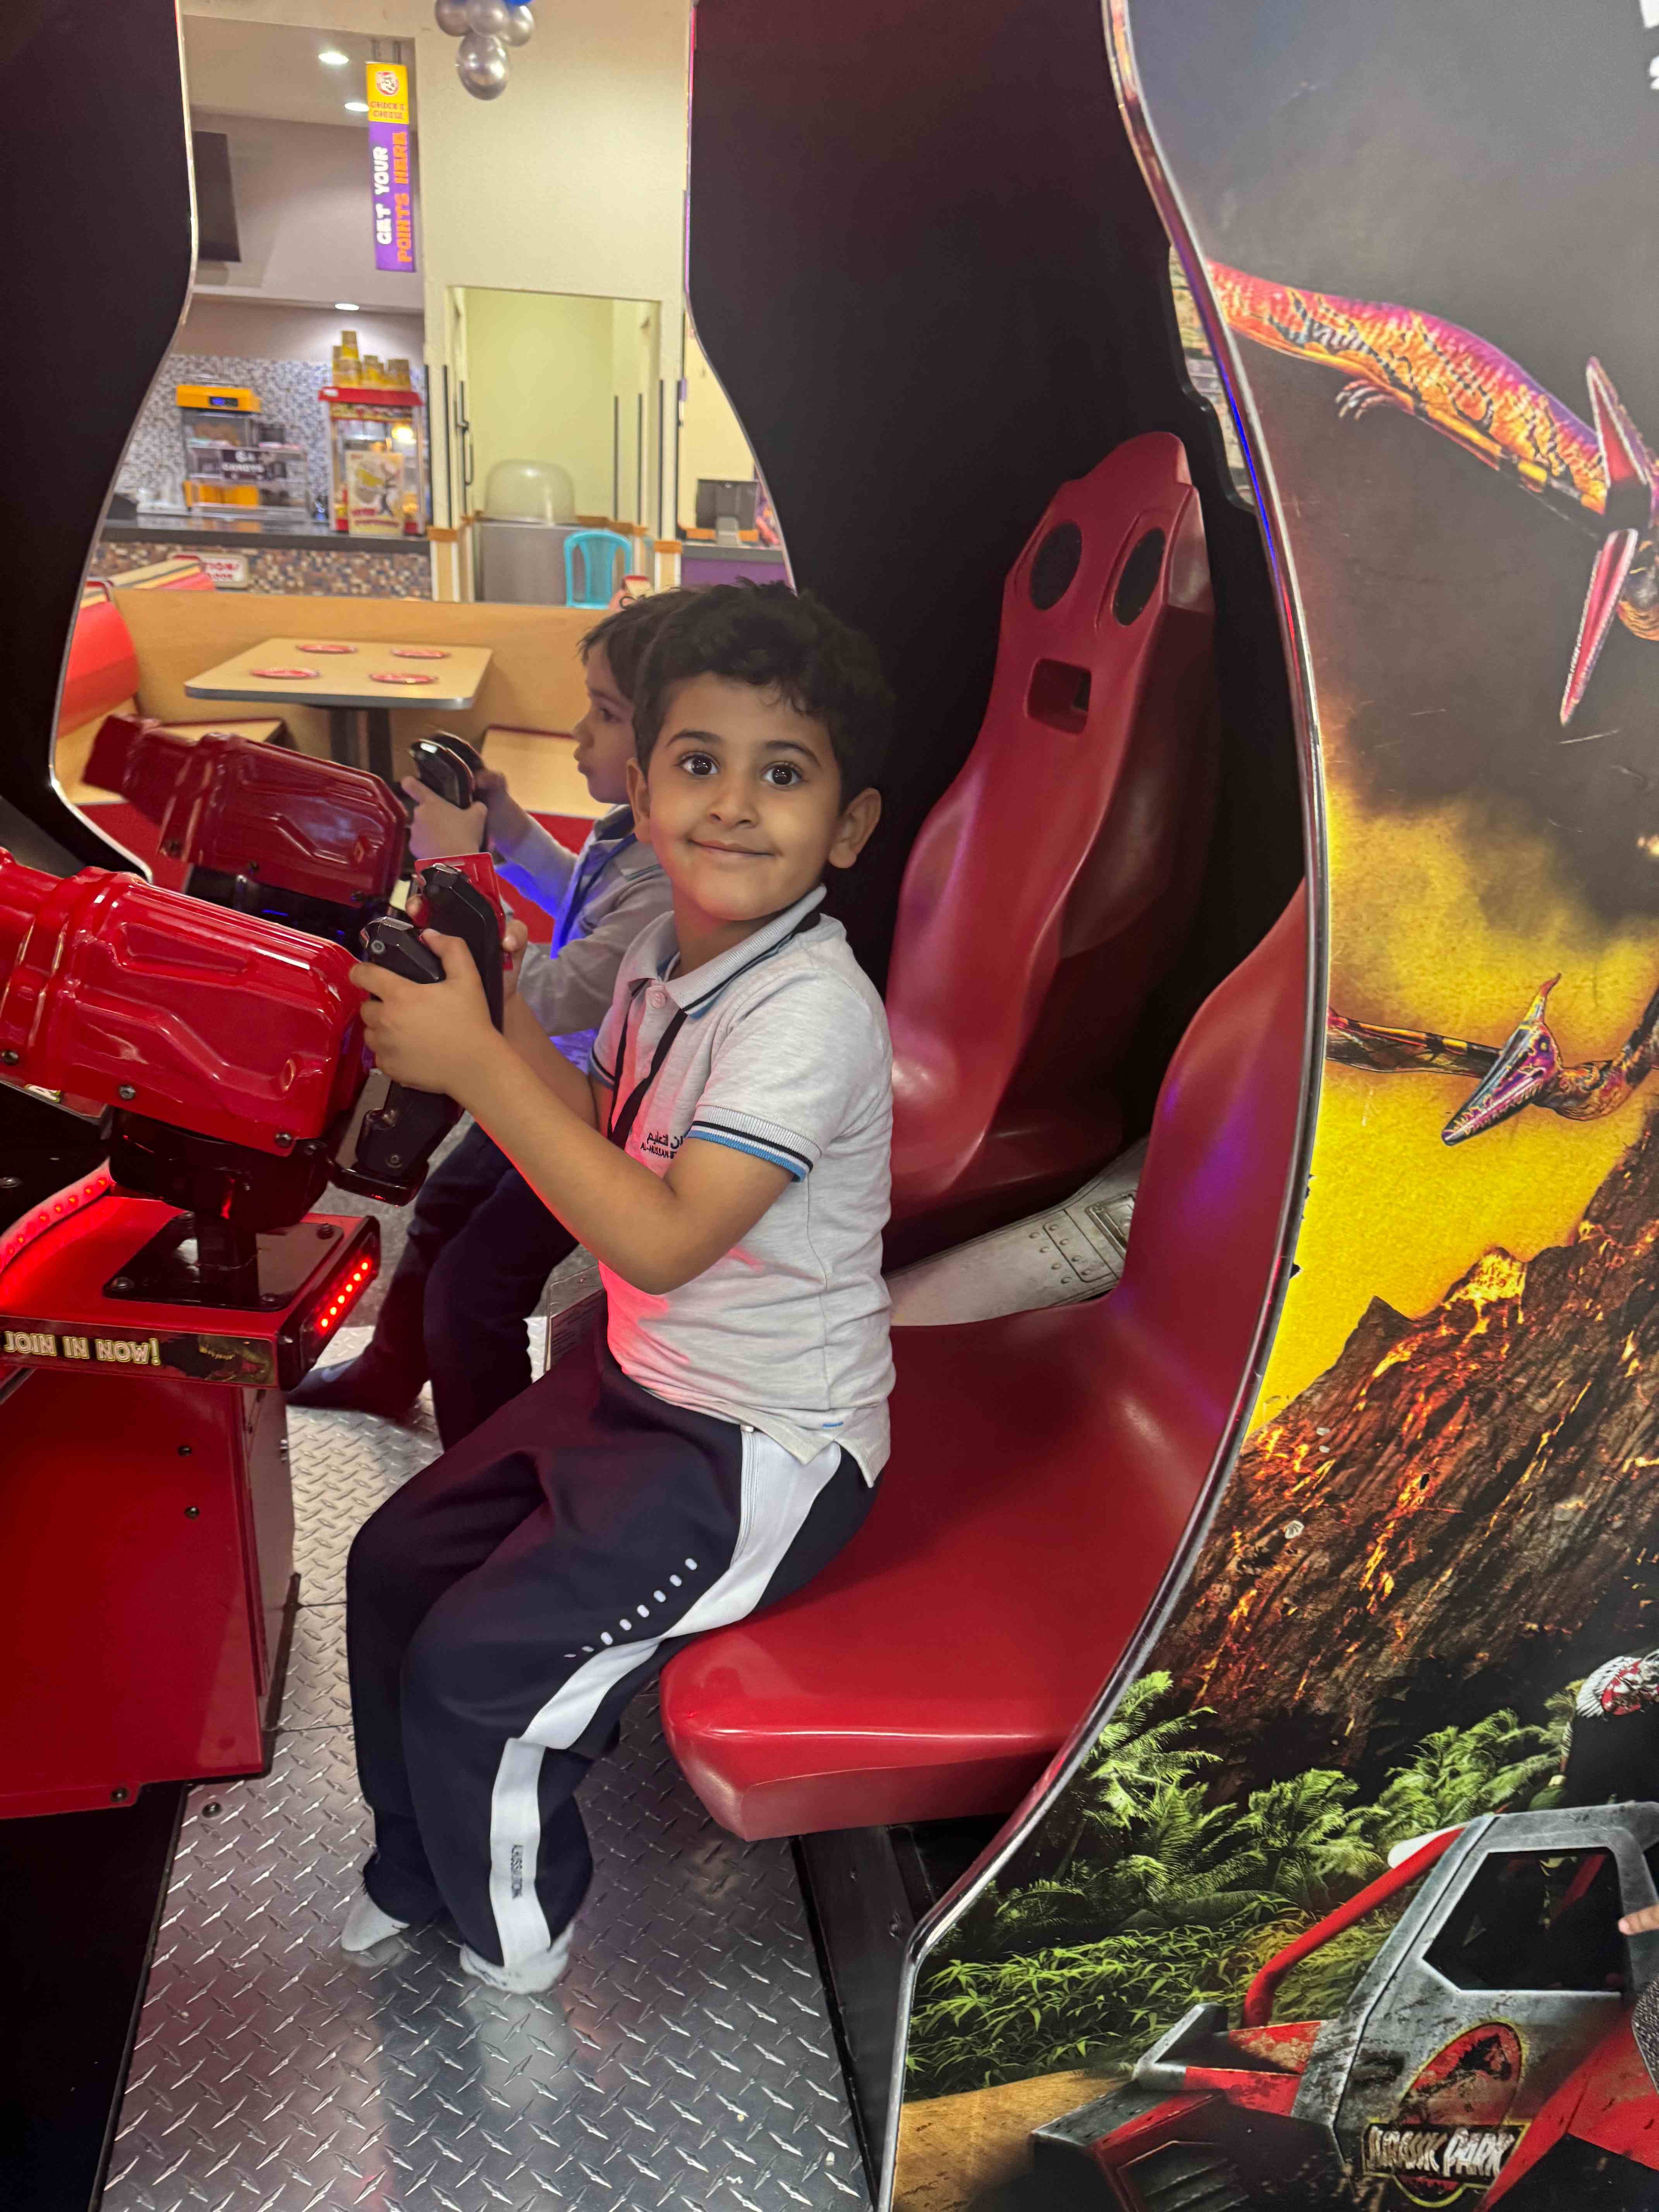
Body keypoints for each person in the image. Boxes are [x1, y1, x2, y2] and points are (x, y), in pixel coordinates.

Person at [340, 584, 895, 1994]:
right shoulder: (663, 958)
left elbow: (658, 1241)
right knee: (391, 1564)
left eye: (783, 774)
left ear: (847, 827)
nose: (733, 805)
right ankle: (417, 1873)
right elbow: (602, 1124)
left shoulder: (810, 1014)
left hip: (759, 1446)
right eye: (698, 763)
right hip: (639, 1386)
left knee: (478, 1675)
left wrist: (475, 1066)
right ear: (641, 794)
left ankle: (514, 1949)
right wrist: (493, 1002)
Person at [289, 592, 689, 1445]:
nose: (579, 732)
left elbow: (542, 993)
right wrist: (507, 826)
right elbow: (577, 895)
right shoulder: (631, 836)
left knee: (476, 1289)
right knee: (441, 1207)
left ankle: (492, 1469)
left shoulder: (669, 881)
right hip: (548, 1075)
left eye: (605, 714)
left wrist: (455, 864)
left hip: (595, 1115)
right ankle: (389, 1370)